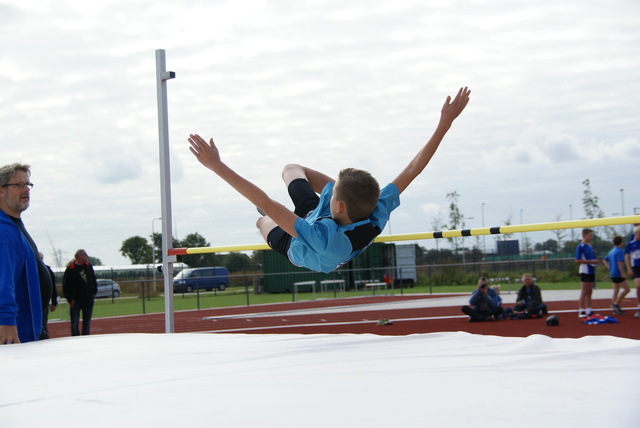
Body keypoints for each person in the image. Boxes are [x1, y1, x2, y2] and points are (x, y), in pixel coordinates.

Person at [188, 87, 471, 273]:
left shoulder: (323, 240)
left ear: (340, 206)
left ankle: (276, 217)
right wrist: (444, 124)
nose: (330, 190)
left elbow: (263, 200)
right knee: (291, 168)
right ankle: (299, 206)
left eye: (334, 192)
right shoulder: (376, 208)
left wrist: (217, 166)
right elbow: (412, 169)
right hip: (317, 216)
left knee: (263, 219)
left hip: (301, 244)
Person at [0, 163, 42, 344]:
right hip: (14, 334)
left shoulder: (15, 226)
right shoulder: (3, 231)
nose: (26, 189)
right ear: (1, 191)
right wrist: (6, 320)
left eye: (28, 184)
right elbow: (3, 280)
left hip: (27, 329)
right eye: (18, 185)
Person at [62, 249, 98, 336]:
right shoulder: (71, 269)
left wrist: (93, 291)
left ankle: (85, 337)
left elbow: (93, 280)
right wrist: (70, 299)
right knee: (75, 321)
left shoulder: (88, 266)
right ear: (79, 256)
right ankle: (75, 338)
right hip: (76, 300)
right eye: (85, 255)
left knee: (87, 321)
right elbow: (66, 285)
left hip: (88, 298)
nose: (87, 256)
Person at [575, 228, 598, 318]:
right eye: (590, 235)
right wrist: (590, 261)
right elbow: (577, 260)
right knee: (584, 291)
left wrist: (595, 261)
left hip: (591, 270)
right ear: (584, 235)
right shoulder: (581, 246)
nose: (591, 237)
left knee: (590, 291)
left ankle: (589, 309)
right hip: (585, 270)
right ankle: (581, 310)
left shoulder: (590, 246)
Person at [603, 236, 629, 315]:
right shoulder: (620, 251)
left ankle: (615, 308)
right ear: (621, 242)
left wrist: (609, 267)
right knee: (627, 289)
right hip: (618, 273)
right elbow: (619, 263)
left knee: (616, 290)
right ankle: (616, 304)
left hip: (613, 273)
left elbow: (604, 260)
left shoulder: (611, 251)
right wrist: (622, 274)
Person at [39, 252, 58, 338]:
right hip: (31, 302)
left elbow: (52, 288)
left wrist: (54, 302)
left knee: (43, 323)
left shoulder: (47, 271)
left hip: (43, 302)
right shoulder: (28, 270)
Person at [624, 226, 640, 318]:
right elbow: (627, 257)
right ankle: (639, 307)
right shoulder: (630, 244)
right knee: (638, 286)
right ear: (635, 234)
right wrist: (629, 268)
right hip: (636, 267)